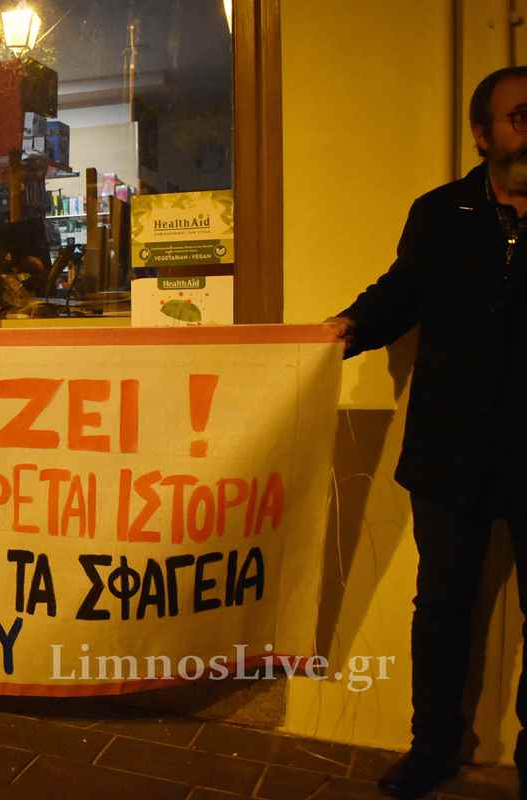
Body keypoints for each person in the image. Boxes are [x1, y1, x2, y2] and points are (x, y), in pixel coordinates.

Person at [327, 66, 527, 799]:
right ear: (482, 134)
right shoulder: (441, 213)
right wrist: (340, 332)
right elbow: (400, 295)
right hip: (449, 451)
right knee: (441, 608)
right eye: (519, 117)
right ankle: (433, 749)